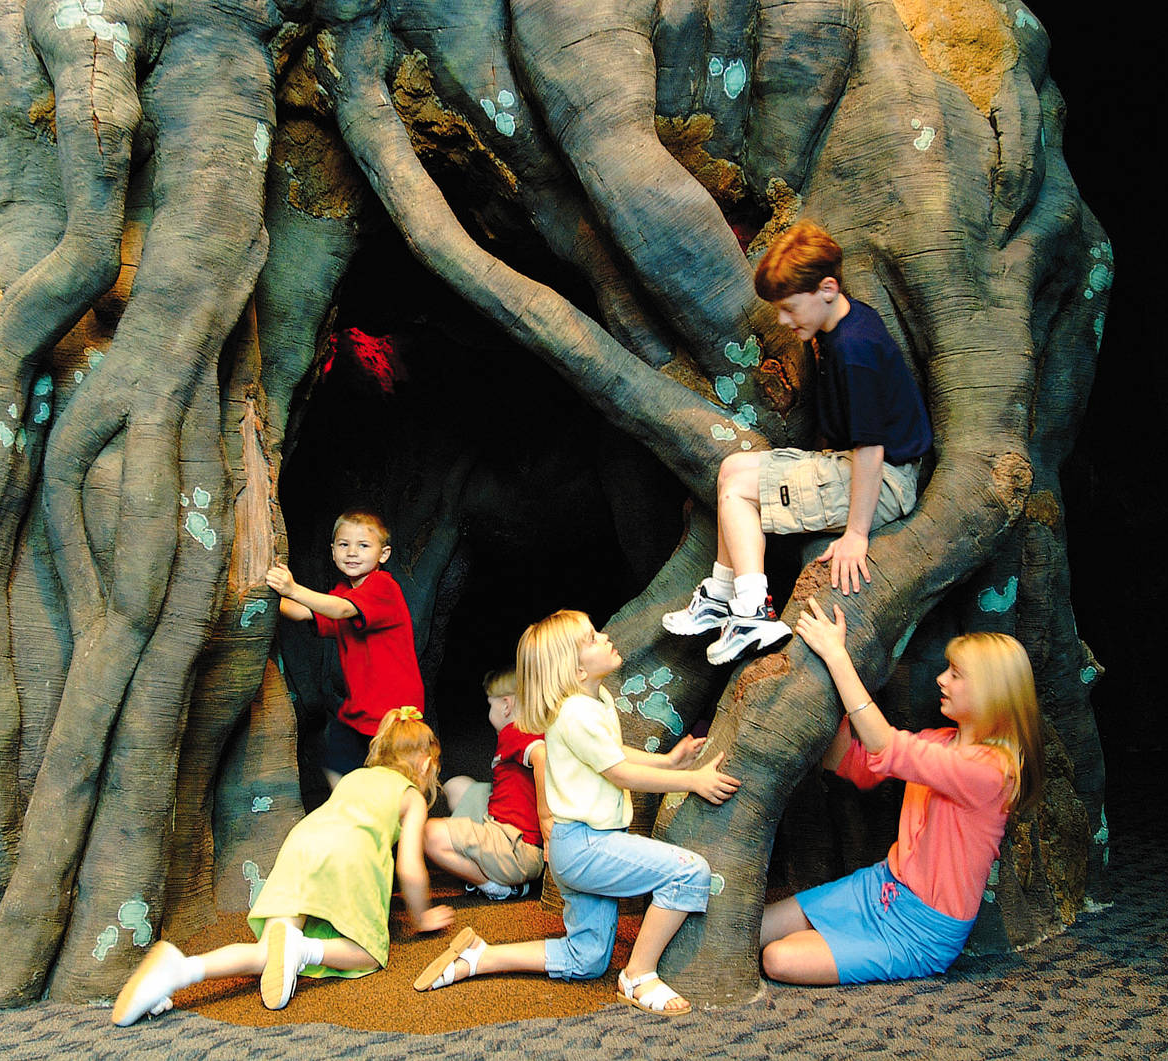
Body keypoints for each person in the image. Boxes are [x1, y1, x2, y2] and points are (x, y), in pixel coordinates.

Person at [413, 611, 740, 1016]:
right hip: (587, 846)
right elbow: (619, 772)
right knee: (689, 872)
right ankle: (639, 975)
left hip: (579, 847)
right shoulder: (575, 714)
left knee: (586, 958)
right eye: (591, 638)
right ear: (577, 669)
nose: (605, 637)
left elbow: (611, 754)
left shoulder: (594, 702)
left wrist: (668, 761)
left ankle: (481, 957)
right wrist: (691, 780)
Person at [663, 221, 933, 665]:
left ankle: (752, 613)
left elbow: (871, 449)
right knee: (732, 469)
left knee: (738, 492)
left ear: (827, 288)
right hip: (852, 463)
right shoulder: (843, 322)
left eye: (789, 308)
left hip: (884, 482)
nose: (784, 321)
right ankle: (722, 595)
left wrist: (856, 535)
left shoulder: (855, 350)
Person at [758, 600, 1043, 985]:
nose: (942, 680)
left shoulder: (992, 771)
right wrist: (828, 686)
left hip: (922, 931)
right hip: (879, 888)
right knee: (755, 928)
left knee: (779, 958)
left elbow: (886, 746)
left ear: (991, 690)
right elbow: (853, 765)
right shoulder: (938, 741)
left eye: (956, 674)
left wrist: (838, 658)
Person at [111, 709, 454, 1025]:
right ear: (426, 765)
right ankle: (303, 949)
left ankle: (181, 971)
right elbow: (409, 868)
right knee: (367, 954)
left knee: (268, 951)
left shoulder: (355, 777)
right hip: (349, 854)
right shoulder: (411, 795)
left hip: (301, 844)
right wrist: (421, 917)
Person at [267, 509, 424, 788]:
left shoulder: (382, 586)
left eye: (363, 545)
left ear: (383, 554)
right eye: (344, 544)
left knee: (396, 783)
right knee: (335, 764)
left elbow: (340, 610)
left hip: (393, 712)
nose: (352, 552)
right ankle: (351, 809)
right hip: (358, 711)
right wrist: (264, 592)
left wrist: (292, 589)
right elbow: (303, 611)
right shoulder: (343, 591)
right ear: (333, 551)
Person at [424, 669, 550, 901]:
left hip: (517, 849)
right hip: (509, 833)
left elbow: (541, 755)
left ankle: (495, 886)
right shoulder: (528, 731)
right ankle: (496, 872)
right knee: (457, 787)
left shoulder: (515, 732)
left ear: (506, 706)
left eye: (490, 705)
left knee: (429, 834)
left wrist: (545, 816)